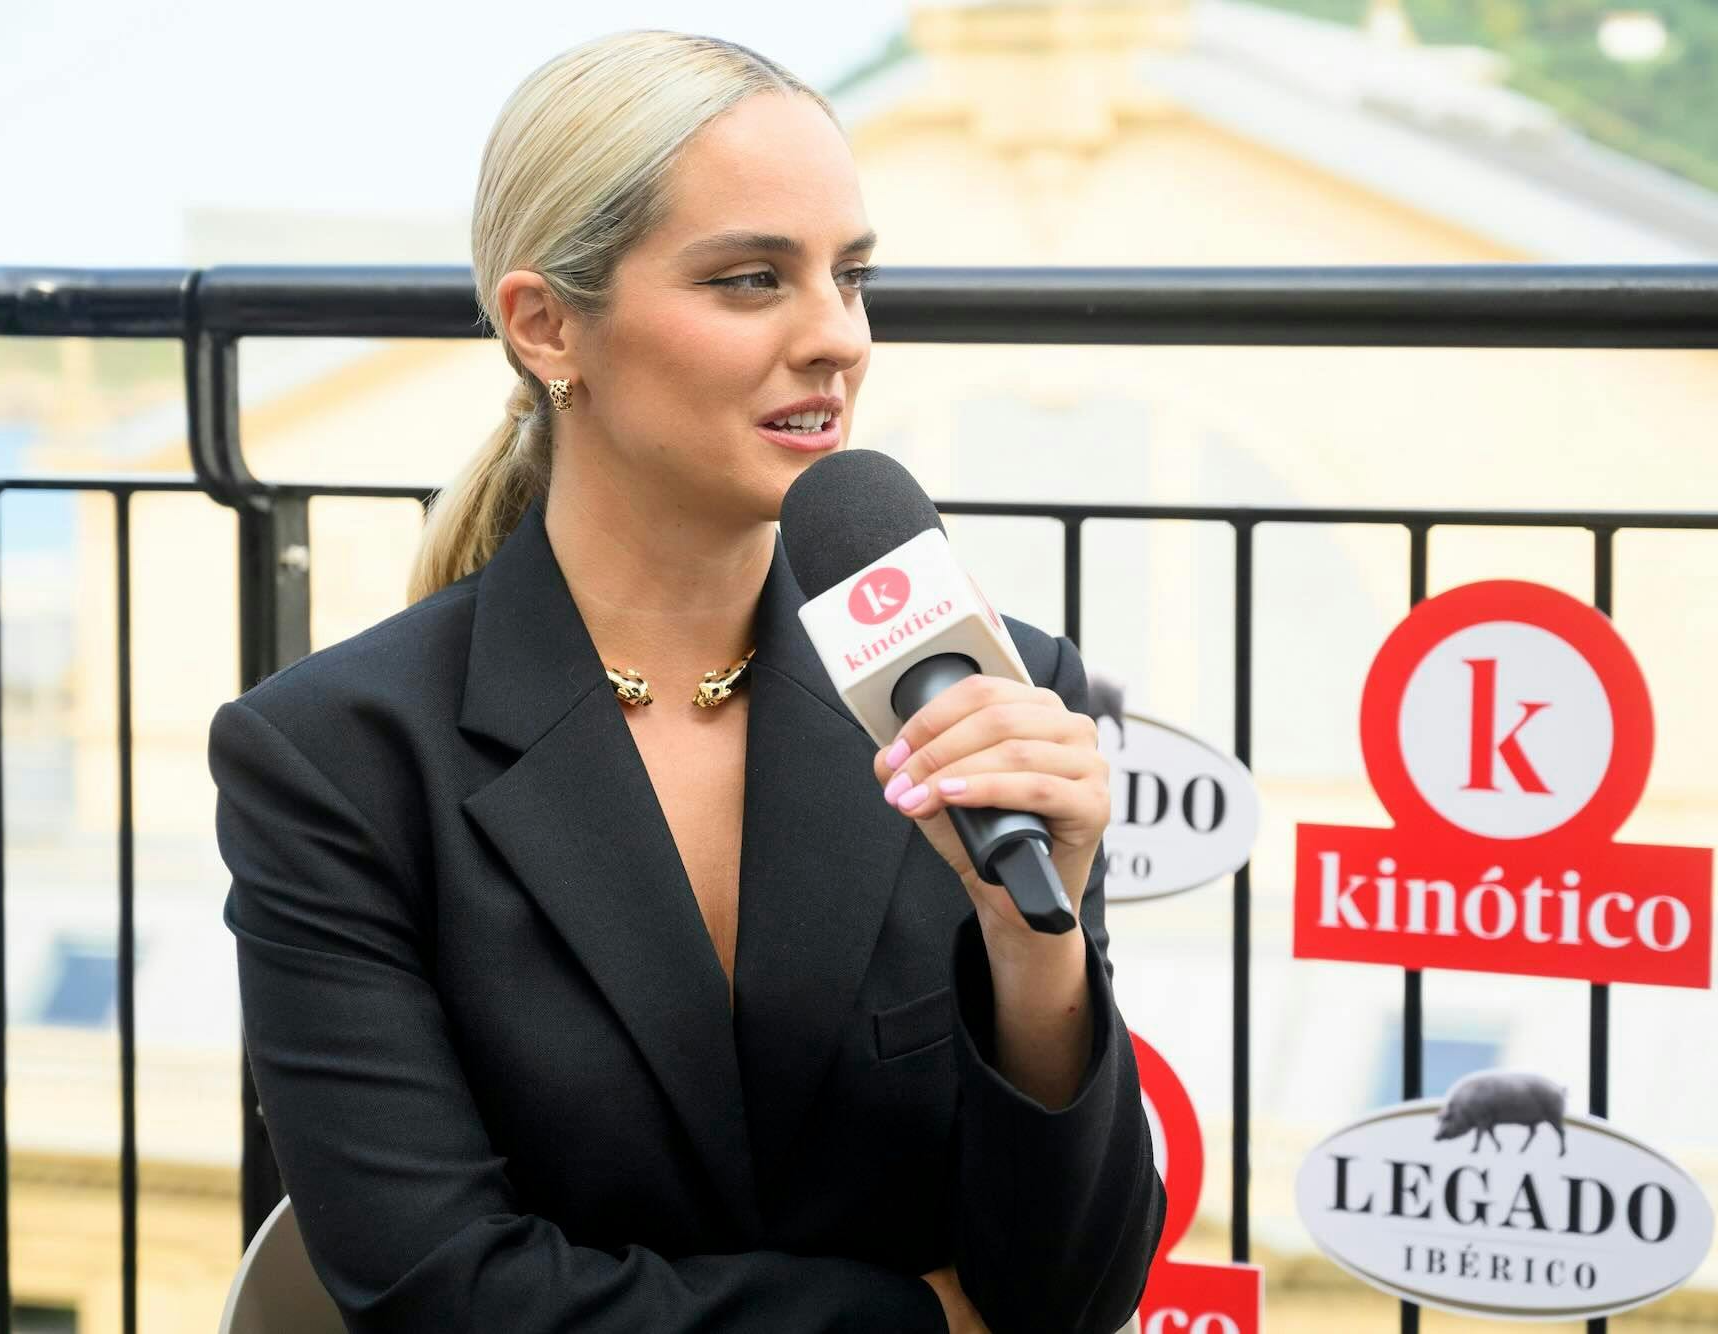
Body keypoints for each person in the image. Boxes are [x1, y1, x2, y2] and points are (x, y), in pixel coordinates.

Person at [209, 28, 1165, 1334]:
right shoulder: (337, 760)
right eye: (751, 280)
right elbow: (439, 1290)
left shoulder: (994, 695)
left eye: (852, 274)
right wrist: (917, 1321)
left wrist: (1029, 947)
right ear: (547, 326)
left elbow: (1071, 1294)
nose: (837, 337)